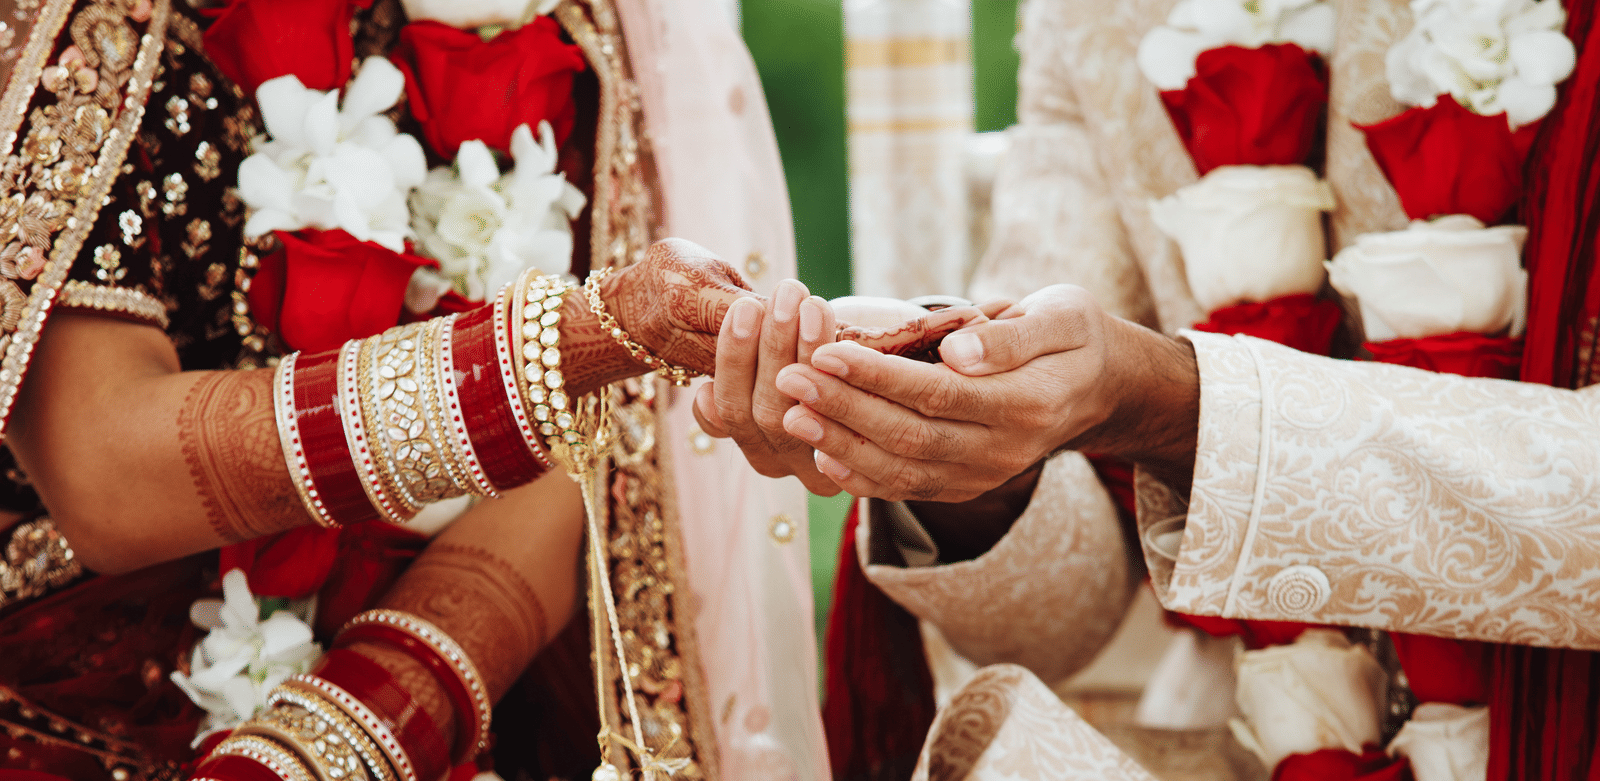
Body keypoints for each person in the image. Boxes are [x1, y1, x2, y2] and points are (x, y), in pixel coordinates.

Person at [0, 0, 948, 778]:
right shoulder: (86, 25)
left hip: (422, 714)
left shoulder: (554, 28)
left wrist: (339, 737)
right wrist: (581, 338)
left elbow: (572, 464)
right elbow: (106, 473)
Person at [703, 0, 1600, 778]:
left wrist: (1181, 408)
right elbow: (1060, 614)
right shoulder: (1097, 17)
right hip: (1253, 736)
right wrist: (960, 457)